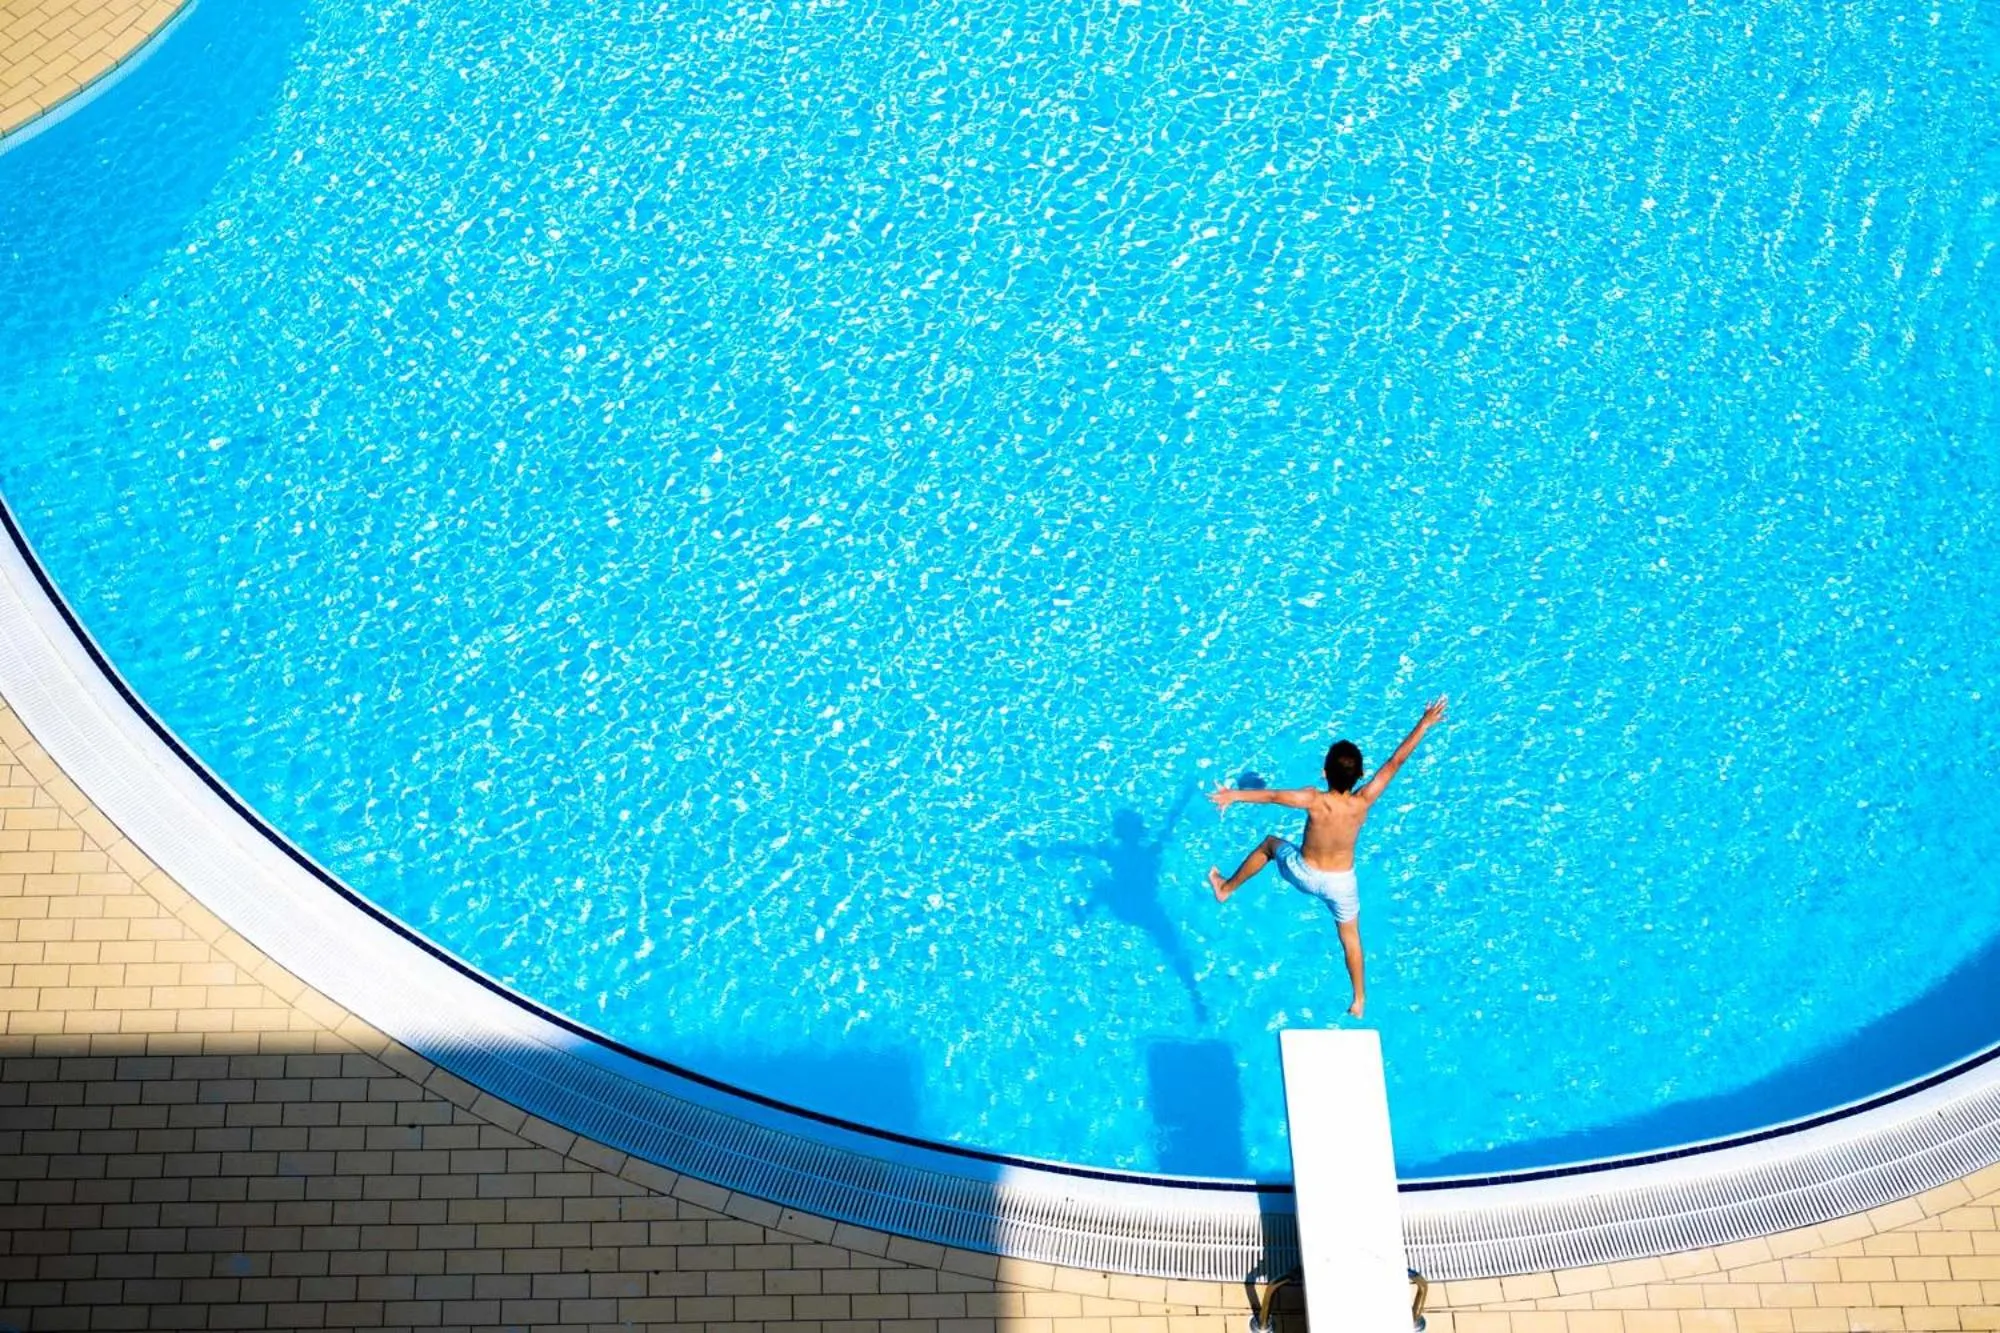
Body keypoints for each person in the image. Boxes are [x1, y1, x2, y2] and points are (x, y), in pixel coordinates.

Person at [1207, 697, 1448, 1018]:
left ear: (1324, 772)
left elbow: (1273, 796)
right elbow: (1394, 763)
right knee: (1350, 938)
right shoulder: (1364, 800)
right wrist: (1424, 724)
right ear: (1361, 774)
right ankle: (1359, 999)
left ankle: (1226, 889)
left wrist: (1232, 795)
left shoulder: (1313, 799)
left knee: (1269, 844)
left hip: (1304, 873)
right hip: (1340, 885)